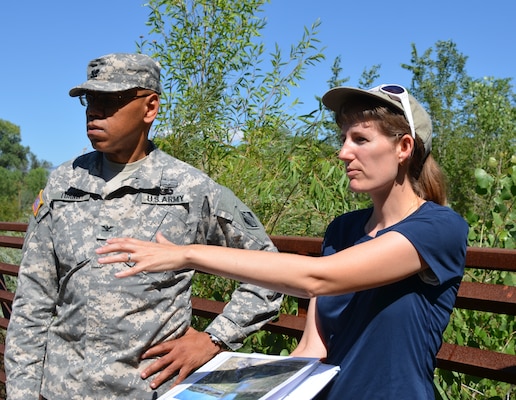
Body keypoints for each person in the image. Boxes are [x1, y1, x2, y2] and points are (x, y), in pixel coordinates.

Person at [96, 84, 469, 399]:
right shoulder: (343, 230)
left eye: (360, 139)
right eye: (343, 139)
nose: (343, 153)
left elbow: (318, 278)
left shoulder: (438, 228)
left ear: (403, 147)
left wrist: (188, 255)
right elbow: (314, 348)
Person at [5, 52, 283, 400]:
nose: (95, 110)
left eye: (112, 100)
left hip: (147, 391)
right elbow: (33, 299)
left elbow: (271, 270)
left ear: (150, 108)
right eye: (91, 100)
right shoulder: (65, 183)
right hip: (62, 389)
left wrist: (214, 339)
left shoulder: (187, 189)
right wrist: (22, 394)